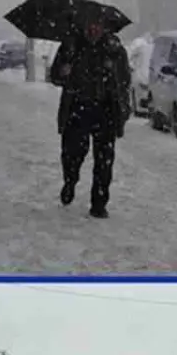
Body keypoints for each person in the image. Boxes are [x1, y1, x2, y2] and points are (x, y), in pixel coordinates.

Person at [49, 18, 131, 219]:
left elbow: (125, 80)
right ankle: (70, 181)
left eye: (98, 26)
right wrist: (63, 71)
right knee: (72, 154)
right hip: (77, 109)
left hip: (105, 111)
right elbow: (55, 76)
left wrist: (114, 75)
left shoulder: (115, 49)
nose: (93, 29)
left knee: (104, 161)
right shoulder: (71, 46)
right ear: (83, 27)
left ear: (105, 28)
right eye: (90, 25)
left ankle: (99, 203)